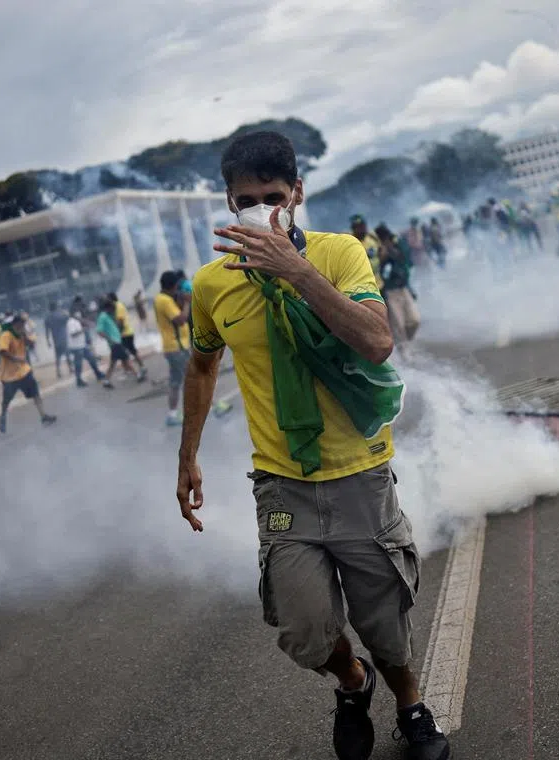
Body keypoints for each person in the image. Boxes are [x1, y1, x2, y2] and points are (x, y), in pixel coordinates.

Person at [180, 130, 449, 760]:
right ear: (228, 204)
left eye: (273, 196)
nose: (261, 209)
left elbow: (377, 341)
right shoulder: (212, 286)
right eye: (246, 200)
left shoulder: (339, 254)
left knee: (384, 619)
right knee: (303, 629)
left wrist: (294, 270)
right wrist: (187, 455)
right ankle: (352, 684)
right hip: (282, 483)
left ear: (297, 193)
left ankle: (411, 710)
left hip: (359, 472)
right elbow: (200, 366)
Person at [0, 313, 56, 433]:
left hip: (24, 371)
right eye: (19, 325)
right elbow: (3, 351)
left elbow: (32, 344)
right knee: (7, 400)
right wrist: (16, 359)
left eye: (23, 325)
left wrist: (25, 336)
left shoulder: (22, 334)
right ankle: (3, 416)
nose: (21, 327)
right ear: (14, 325)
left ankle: (43, 416)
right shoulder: (6, 335)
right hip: (9, 376)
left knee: (35, 393)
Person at [374, 224, 420, 349]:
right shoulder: (378, 250)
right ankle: (404, 352)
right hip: (390, 292)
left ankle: (407, 343)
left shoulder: (397, 245)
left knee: (414, 321)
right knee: (398, 325)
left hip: (404, 289)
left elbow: (405, 261)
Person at [155, 271, 192, 427]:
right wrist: (188, 302)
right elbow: (181, 320)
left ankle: (172, 415)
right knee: (193, 379)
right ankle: (209, 407)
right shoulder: (164, 300)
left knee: (176, 382)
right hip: (177, 348)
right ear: (173, 285)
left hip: (174, 347)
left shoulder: (162, 299)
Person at [109, 294, 148, 382]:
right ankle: (140, 367)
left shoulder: (118, 306)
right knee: (132, 351)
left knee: (125, 354)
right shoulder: (120, 304)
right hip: (128, 332)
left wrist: (117, 333)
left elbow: (120, 321)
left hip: (124, 334)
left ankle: (131, 371)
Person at [94, 297, 130, 390]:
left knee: (115, 362)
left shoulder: (107, 315)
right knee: (124, 359)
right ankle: (137, 374)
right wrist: (110, 339)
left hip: (116, 342)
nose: (113, 310)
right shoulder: (103, 316)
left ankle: (106, 380)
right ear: (108, 308)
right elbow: (99, 331)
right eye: (112, 308)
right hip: (114, 343)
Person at [66, 309, 104, 388]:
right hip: (76, 347)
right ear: (73, 315)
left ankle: (98, 374)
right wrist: (83, 330)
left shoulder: (76, 322)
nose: (79, 316)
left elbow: (87, 323)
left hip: (82, 345)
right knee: (78, 364)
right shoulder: (71, 323)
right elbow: (73, 334)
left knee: (92, 359)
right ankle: (79, 380)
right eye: (77, 315)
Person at [350, 215, 383, 290]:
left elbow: (381, 250)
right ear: (353, 228)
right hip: (364, 287)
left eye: (363, 226)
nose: (362, 229)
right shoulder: (350, 242)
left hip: (378, 282)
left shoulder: (372, 237)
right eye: (358, 227)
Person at [44, 302, 70, 379]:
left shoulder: (48, 318)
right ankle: (71, 368)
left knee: (58, 357)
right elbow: (68, 317)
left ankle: (58, 372)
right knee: (67, 354)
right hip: (63, 338)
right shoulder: (60, 315)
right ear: (56, 307)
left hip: (56, 340)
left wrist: (48, 341)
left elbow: (47, 331)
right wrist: (62, 311)